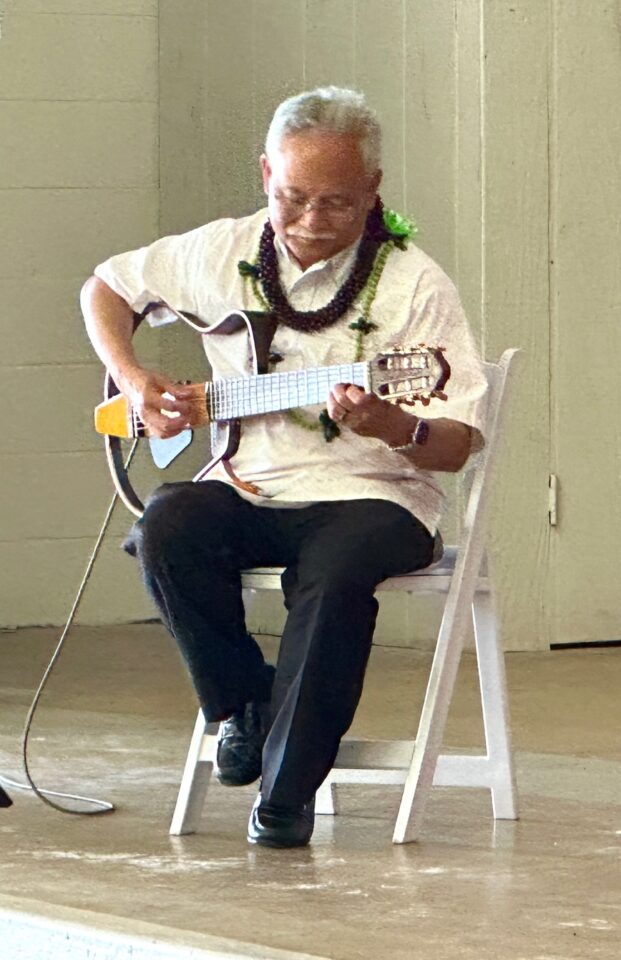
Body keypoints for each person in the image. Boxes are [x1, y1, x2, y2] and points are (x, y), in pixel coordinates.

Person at [81, 86, 487, 848]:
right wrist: (138, 381)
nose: (307, 221)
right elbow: (105, 286)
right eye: (291, 197)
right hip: (250, 483)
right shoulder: (222, 249)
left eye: (335, 203)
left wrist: (390, 422)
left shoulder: (413, 284)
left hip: (375, 495)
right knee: (168, 524)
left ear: (373, 193)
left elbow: (456, 445)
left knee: (335, 574)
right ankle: (242, 708)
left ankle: (285, 792)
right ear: (265, 172)